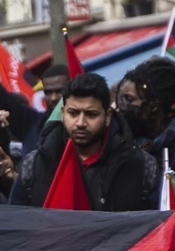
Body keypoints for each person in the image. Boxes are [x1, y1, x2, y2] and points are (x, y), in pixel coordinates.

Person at [10, 73, 158, 212]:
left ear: (107, 116)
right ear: (62, 113)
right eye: (73, 113)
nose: (80, 123)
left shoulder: (141, 165)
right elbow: (18, 227)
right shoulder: (34, 166)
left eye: (91, 114)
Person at [0, 31, 69, 154]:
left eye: (60, 91)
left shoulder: (85, 129)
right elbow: (0, 99)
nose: (54, 98)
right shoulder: (32, 124)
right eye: (48, 92)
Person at [117, 54, 175, 184]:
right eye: (122, 99)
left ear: (157, 104)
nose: (121, 108)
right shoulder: (123, 140)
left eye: (130, 100)